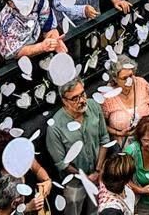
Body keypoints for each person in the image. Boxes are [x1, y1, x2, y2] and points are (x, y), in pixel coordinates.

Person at [46, 77, 110, 215]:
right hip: (74, 180)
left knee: (97, 208)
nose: (81, 100)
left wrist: (98, 171)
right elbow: (61, 163)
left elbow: (104, 139)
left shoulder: (93, 106)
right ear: (64, 101)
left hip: (98, 171)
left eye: (82, 94)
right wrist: (85, 178)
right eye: (75, 98)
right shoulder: (55, 127)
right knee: (73, 206)